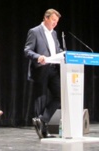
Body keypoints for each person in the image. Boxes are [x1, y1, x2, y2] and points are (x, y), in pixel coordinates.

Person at [23, 8, 64, 139]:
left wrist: (64, 54)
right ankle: (43, 131)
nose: (55, 23)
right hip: (40, 69)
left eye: (57, 21)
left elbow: (57, 50)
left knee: (60, 95)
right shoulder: (35, 31)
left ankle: (43, 119)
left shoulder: (54, 34)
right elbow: (27, 50)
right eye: (53, 20)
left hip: (53, 69)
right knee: (41, 99)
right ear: (45, 18)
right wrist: (38, 57)